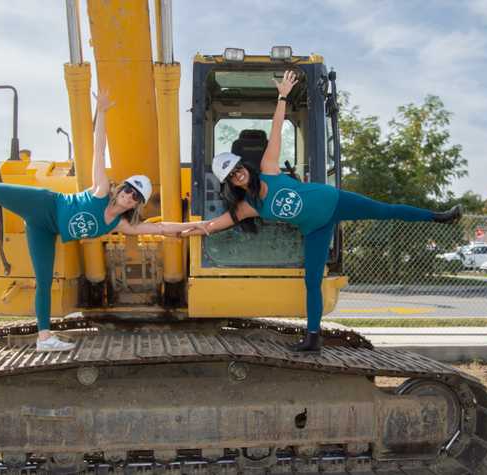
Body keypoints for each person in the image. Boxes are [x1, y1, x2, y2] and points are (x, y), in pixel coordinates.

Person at [182, 70, 462, 352]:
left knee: (386, 210)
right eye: (231, 176)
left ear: (245, 165)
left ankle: (438, 216)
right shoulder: (246, 208)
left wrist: (282, 96)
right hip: (316, 228)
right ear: (229, 183)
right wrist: (176, 229)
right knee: (312, 280)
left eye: (238, 168)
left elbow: (276, 130)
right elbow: (211, 225)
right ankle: (313, 338)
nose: (237, 175)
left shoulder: (268, 168)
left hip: (335, 201)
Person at [0, 90, 203, 352]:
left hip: (45, 229)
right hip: (43, 203)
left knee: (43, 281)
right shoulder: (101, 190)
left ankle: (44, 338)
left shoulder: (119, 226)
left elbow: (163, 227)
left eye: (135, 196)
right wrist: (101, 112)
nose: (128, 196)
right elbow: (98, 150)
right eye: (128, 189)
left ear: (137, 204)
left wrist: (196, 226)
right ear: (120, 188)